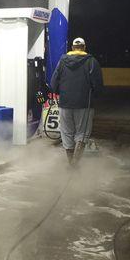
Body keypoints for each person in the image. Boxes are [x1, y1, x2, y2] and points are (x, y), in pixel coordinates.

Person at [50, 37, 103, 166]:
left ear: (72, 48)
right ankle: (75, 164)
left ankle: (71, 164)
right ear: (84, 47)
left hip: (65, 104)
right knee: (82, 133)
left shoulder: (62, 62)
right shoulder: (91, 62)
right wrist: (96, 95)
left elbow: (53, 83)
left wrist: (60, 93)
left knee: (67, 132)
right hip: (85, 105)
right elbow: (98, 85)